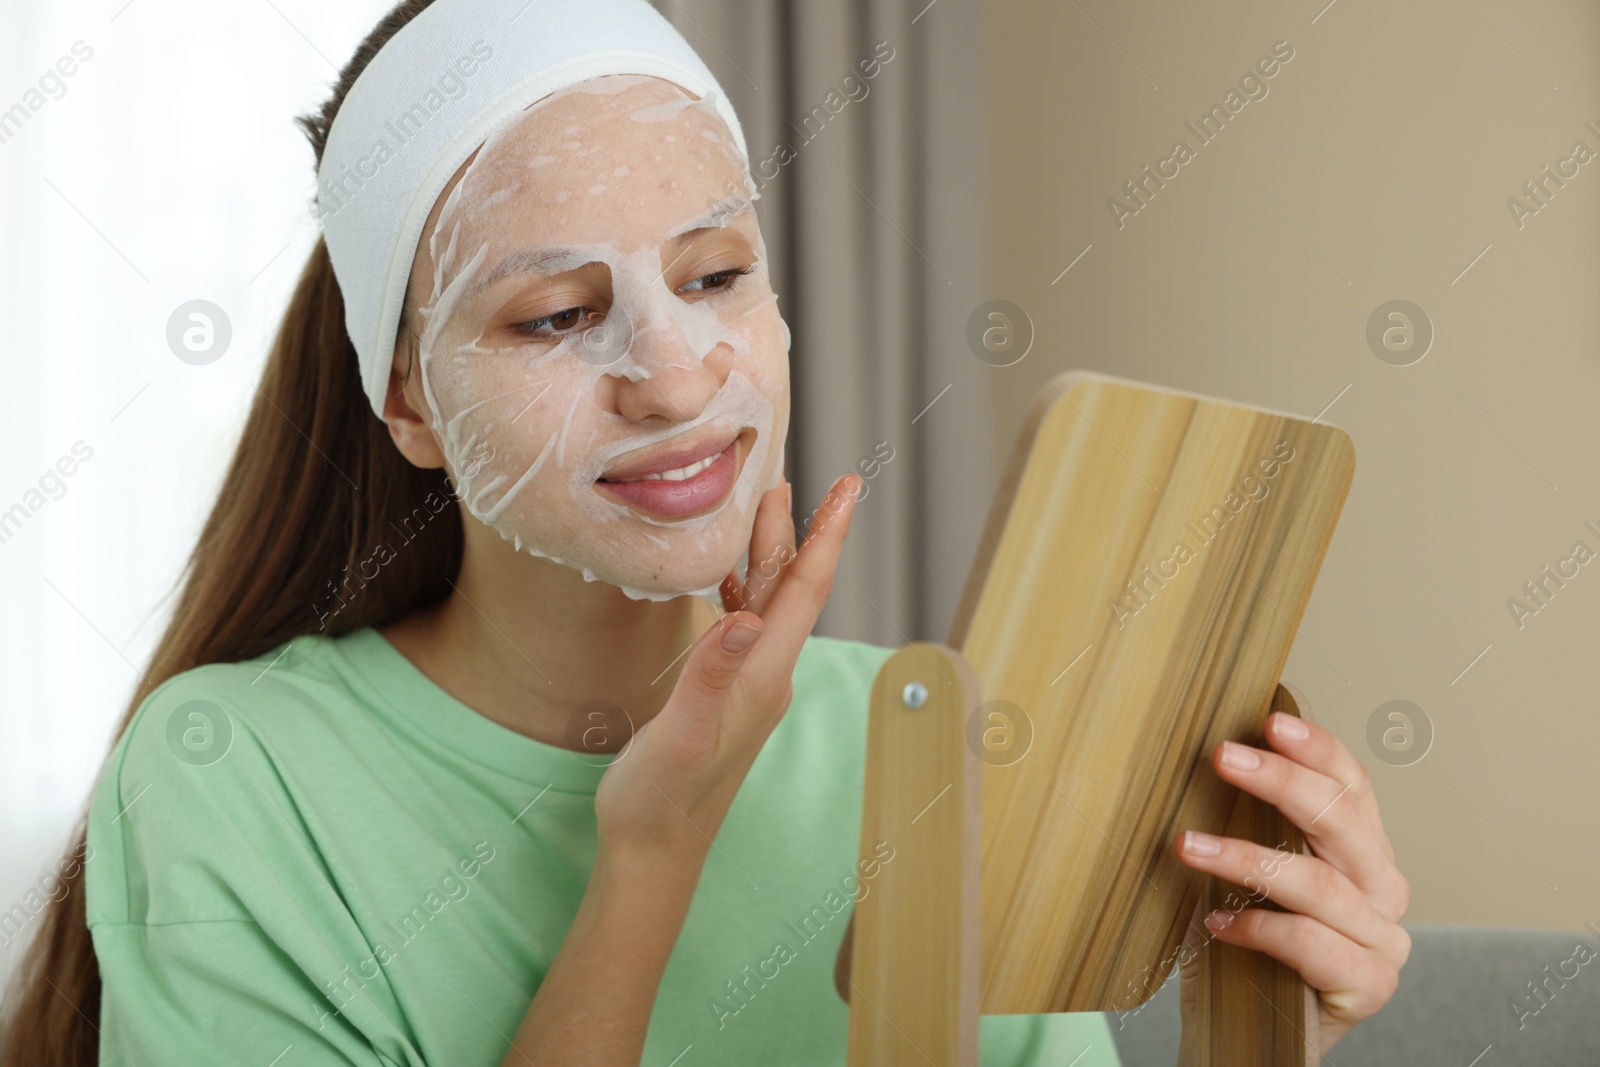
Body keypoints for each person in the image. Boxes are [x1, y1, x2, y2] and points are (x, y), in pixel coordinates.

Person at [0, 1, 1409, 1064]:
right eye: (555, 315)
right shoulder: (235, 777)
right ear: (410, 397)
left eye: (717, 274)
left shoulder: (925, 740)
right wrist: (654, 850)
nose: (675, 379)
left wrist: (1274, 1011)